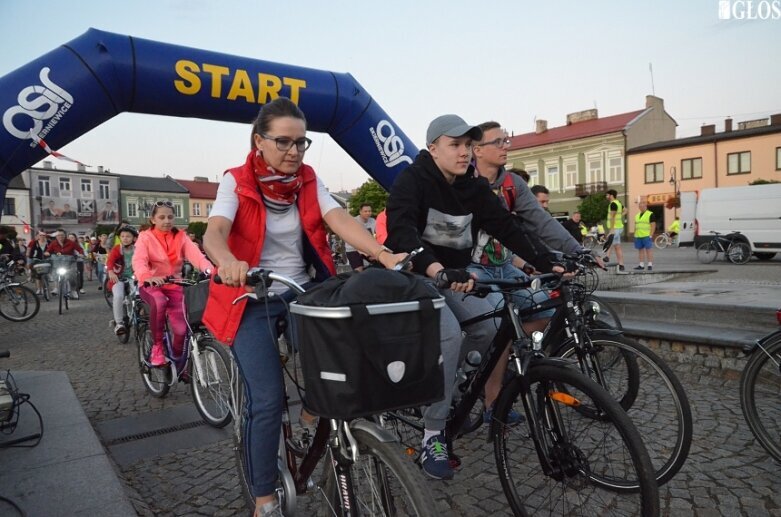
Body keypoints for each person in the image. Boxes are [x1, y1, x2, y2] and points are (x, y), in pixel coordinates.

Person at [202, 97, 407, 517]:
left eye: (301, 143)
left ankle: (312, 417)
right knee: (268, 400)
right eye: (283, 142)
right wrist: (227, 262)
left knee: (339, 366)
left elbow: (340, 220)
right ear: (259, 141)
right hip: (250, 296)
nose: (293, 151)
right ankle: (264, 500)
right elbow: (216, 230)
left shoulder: (309, 180)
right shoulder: (236, 180)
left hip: (300, 291)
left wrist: (384, 255)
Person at [385, 114, 558, 480]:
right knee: (448, 332)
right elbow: (401, 232)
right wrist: (435, 270)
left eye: (468, 145)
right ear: (433, 149)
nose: (464, 153)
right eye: (455, 145)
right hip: (418, 277)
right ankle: (435, 435)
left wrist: (547, 263)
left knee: (492, 325)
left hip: (458, 277)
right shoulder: (412, 180)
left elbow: (505, 226)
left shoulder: (473, 187)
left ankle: (453, 383)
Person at [467, 120, 582, 423]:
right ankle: (492, 403)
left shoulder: (512, 185)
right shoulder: (465, 181)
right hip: (472, 267)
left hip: (503, 265)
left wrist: (576, 250)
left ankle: (507, 362)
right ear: (477, 149)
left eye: (506, 141)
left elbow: (541, 223)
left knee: (546, 309)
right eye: (498, 142)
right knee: (496, 328)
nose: (506, 147)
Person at [133, 202, 212, 366]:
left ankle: (178, 361)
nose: (167, 221)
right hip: (150, 285)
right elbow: (139, 259)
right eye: (161, 217)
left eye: (170, 217)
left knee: (182, 330)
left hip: (174, 284)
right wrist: (147, 276)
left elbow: (197, 256)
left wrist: (211, 271)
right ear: (153, 219)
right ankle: (157, 347)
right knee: (159, 302)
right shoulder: (145, 237)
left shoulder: (181, 236)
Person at [107, 226, 138, 335]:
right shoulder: (117, 249)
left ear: (134, 238)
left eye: (128, 236)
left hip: (134, 278)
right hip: (118, 278)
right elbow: (110, 261)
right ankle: (119, 323)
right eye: (123, 236)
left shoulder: (137, 249)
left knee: (139, 296)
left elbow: (145, 261)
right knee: (119, 296)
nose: (125, 238)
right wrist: (111, 272)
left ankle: (138, 316)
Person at [44, 228, 83, 297]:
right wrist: (47, 253)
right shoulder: (53, 243)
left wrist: (81, 254)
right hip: (58, 262)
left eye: (62, 235)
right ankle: (56, 288)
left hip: (70, 262)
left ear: (65, 236)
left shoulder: (71, 243)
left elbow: (80, 249)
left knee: (72, 275)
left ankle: (73, 291)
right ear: (56, 236)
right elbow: (48, 250)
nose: (60, 237)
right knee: (54, 272)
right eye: (58, 235)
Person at [343, 203, 376, 271]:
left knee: (380, 263)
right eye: (365, 211)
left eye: (369, 211)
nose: (368, 213)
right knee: (358, 271)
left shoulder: (373, 221)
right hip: (353, 249)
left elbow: (376, 236)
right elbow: (352, 240)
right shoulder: (353, 221)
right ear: (360, 212)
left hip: (366, 248)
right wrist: (366, 253)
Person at [604, 189, 626, 272]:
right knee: (617, 246)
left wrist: (612, 229)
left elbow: (612, 217)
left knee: (610, 240)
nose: (606, 196)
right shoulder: (618, 203)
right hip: (618, 226)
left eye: (607, 195)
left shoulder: (613, 204)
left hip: (615, 227)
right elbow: (625, 210)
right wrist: (620, 215)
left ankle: (607, 256)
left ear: (611, 195)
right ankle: (621, 265)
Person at [633, 200, 656, 271]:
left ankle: (650, 264)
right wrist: (634, 235)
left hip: (646, 236)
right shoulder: (637, 215)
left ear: (645, 206)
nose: (640, 207)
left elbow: (653, 225)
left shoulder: (650, 214)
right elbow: (636, 226)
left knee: (648, 250)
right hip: (638, 236)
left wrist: (651, 235)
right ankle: (641, 265)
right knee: (640, 250)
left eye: (642, 206)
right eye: (639, 206)